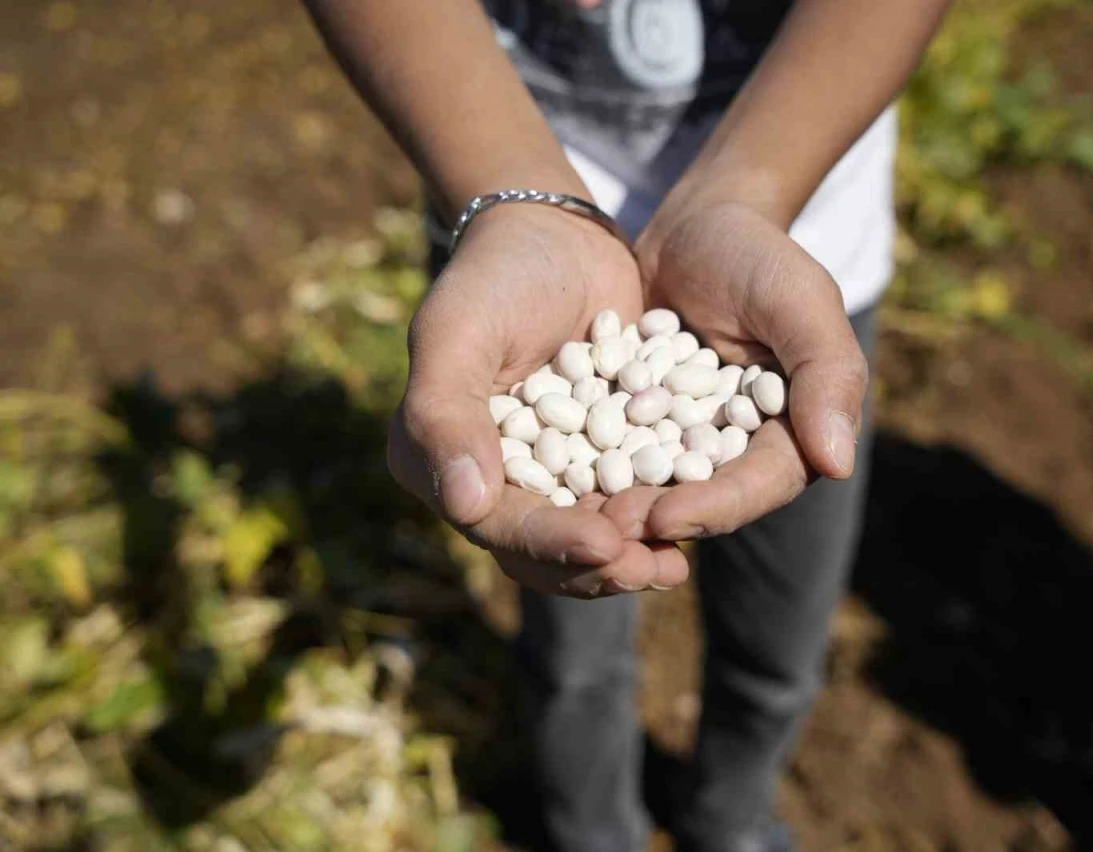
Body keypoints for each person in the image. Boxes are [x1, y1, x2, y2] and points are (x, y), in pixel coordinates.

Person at [303, 1, 950, 849]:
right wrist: (513, 201)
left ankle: (731, 820)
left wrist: (743, 195)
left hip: (790, 254)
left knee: (783, 637)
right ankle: (592, 832)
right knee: (575, 647)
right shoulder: (559, 351)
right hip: (514, 242)